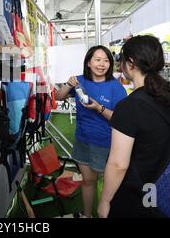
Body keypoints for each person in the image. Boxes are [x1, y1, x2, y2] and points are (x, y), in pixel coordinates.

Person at [98, 35, 170, 218]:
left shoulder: (129, 106)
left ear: (130, 63)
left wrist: (105, 201)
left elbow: (118, 164)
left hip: (137, 195)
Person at [55, 45, 127, 218]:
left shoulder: (115, 88)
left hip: (105, 144)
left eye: (106, 60)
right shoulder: (80, 81)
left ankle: (106, 211)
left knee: (109, 185)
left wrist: (98, 107)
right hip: (82, 140)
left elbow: (121, 119)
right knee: (88, 181)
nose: (102, 64)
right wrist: (68, 84)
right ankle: (87, 215)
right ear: (88, 62)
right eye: (97, 59)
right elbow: (58, 96)